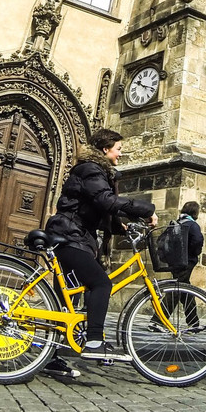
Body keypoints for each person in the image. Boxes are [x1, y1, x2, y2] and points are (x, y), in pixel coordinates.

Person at [45, 129, 157, 371]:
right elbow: (105, 201)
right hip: (69, 236)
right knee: (101, 284)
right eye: (118, 149)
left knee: (65, 302)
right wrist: (146, 209)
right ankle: (95, 340)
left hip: (70, 234)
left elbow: (96, 208)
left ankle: (49, 358)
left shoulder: (93, 171)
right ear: (105, 149)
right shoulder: (91, 170)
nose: (120, 154)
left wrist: (122, 226)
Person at [163, 200, 205, 328]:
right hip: (186, 261)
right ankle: (158, 320)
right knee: (177, 289)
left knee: (185, 290)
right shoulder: (192, 225)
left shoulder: (176, 223)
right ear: (195, 212)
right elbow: (197, 241)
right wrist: (194, 252)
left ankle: (193, 323)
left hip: (174, 261)